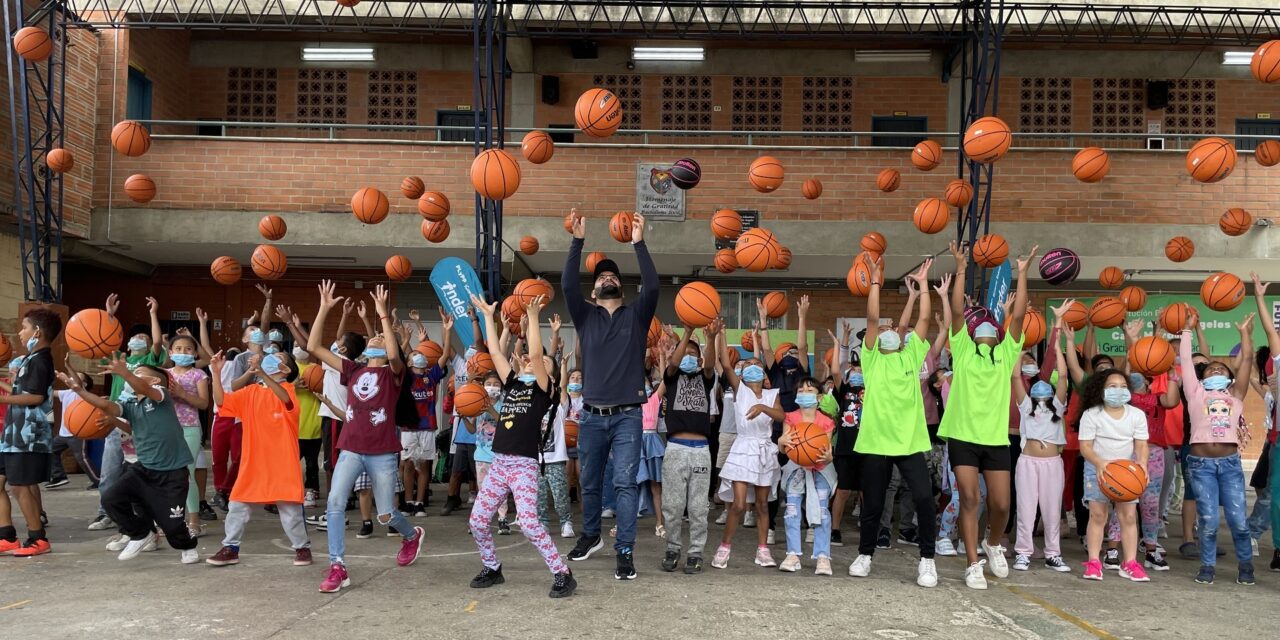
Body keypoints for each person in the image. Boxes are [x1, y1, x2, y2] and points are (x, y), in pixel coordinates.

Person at [307, 280, 425, 594]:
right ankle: (337, 566)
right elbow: (314, 348)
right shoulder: (352, 371)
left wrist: (383, 314)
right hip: (351, 448)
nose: (373, 337)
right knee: (333, 501)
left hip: (383, 452)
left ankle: (411, 535)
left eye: (379, 336)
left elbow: (393, 351)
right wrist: (324, 309)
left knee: (386, 514)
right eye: (371, 335)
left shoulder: (394, 374)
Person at [560, 208, 659, 580]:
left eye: (612, 275)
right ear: (594, 290)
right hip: (591, 416)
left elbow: (653, 284)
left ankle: (626, 550)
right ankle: (591, 536)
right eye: (601, 276)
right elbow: (568, 285)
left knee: (624, 483)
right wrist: (577, 240)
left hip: (628, 416)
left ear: (621, 286)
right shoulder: (586, 317)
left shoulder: (637, 315)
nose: (607, 278)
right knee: (588, 482)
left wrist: (638, 243)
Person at [939, 241, 1037, 590]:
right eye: (976, 327)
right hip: (963, 436)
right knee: (969, 498)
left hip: (995, 439)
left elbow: (1021, 315)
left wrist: (1023, 274)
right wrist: (962, 268)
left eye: (989, 329)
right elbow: (955, 312)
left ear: (997, 335)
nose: (982, 331)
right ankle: (972, 563)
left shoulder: (1006, 354)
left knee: (1001, 505)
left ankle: (992, 543)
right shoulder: (963, 350)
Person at [467, 293, 576, 598]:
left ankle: (562, 573)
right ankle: (492, 567)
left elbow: (539, 355)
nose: (532, 362)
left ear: (549, 374)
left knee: (528, 523)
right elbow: (496, 354)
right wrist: (488, 316)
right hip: (500, 463)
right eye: (529, 361)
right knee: (477, 521)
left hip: (524, 466)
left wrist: (534, 318)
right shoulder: (514, 383)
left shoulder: (545, 390)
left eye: (541, 363)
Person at [847, 259, 942, 587]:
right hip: (876, 441)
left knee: (924, 499)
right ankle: (865, 554)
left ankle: (927, 560)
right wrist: (875, 281)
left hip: (909, 442)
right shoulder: (872, 360)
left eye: (891, 332)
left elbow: (926, 318)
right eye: (883, 331)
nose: (886, 332)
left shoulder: (910, 355)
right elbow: (873, 317)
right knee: (872, 503)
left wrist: (924, 285)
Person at [60, 353, 200, 563]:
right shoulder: (132, 405)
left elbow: (144, 389)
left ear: (154, 380)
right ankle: (141, 534)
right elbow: (111, 409)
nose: (132, 378)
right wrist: (80, 391)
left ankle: (187, 547)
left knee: (173, 526)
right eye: (132, 374)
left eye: (138, 374)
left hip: (172, 474)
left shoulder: (161, 395)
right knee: (110, 499)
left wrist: (124, 372)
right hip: (143, 469)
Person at [1175, 280, 1259, 586]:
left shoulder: (1235, 394)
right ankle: (1207, 567)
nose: (1214, 370)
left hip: (1230, 465)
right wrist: (1186, 329)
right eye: (1210, 369)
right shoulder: (1195, 393)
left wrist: (1245, 335)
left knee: (1238, 521)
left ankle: (1246, 566)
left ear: (1229, 377)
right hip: (1200, 465)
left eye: (1220, 369)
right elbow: (1185, 361)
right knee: (1207, 520)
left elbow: (1247, 360)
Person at [206, 351, 312, 567]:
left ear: (286, 370)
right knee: (238, 506)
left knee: (290, 512)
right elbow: (221, 401)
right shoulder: (252, 391)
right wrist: (216, 374)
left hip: (282, 462)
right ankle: (231, 547)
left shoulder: (289, 391)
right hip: (254, 462)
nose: (271, 356)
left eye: (279, 357)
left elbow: (284, 399)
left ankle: (302, 548)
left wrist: (262, 372)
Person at [91, 294, 167, 532]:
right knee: (110, 471)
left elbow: (156, 342)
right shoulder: (118, 359)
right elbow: (105, 340)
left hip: (142, 419)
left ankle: (148, 514)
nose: (139, 339)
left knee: (144, 470)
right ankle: (106, 513)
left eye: (142, 338)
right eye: (135, 337)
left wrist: (153, 313)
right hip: (118, 417)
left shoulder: (149, 360)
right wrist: (110, 317)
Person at [712, 346, 784, 569]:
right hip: (743, 449)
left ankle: (762, 551)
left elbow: (781, 415)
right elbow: (725, 363)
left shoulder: (773, 395)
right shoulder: (740, 390)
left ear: (764, 374)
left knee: (762, 505)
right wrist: (720, 336)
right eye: (748, 365)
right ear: (742, 374)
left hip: (764, 450)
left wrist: (763, 406)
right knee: (738, 505)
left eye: (758, 364)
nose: (753, 367)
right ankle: (724, 548)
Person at [1011, 305, 1070, 573]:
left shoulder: (1058, 406)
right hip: (1028, 462)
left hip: (1052, 464)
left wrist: (1058, 352)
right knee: (1025, 508)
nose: (1042, 387)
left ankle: (1053, 553)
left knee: (1051, 509)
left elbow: (1064, 377)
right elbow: (1014, 376)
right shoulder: (1025, 405)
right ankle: (1023, 552)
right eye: (1036, 385)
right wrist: (1020, 351)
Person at [1078, 368, 1150, 582]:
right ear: (1101, 390)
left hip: (1127, 472)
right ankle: (1093, 562)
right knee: (1098, 515)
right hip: (1097, 467)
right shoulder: (1092, 414)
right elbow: (1086, 447)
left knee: (1128, 517)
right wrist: (1100, 463)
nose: (1118, 390)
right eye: (1112, 386)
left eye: (1123, 386)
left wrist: (1143, 464)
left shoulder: (1136, 415)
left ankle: (1129, 563)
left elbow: (1141, 444)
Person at [659, 321, 720, 574]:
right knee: (672, 506)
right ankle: (673, 548)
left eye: (693, 355)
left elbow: (709, 364)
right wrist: (686, 333)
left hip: (700, 449)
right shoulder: (672, 378)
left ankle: (695, 552)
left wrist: (711, 338)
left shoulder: (706, 379)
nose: (688, 357)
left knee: (697, 507)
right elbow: (673, 362)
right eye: (685, 353)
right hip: (675, 447)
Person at [0, 308, 60, 556]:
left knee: (20, 486)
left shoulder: (41, 360)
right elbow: (19, 390)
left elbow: (34, 397)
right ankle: (7, 535)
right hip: (13, 434)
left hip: (28, 435)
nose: (20, 332)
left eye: (24, 327)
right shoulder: (28, 359)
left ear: (37, 331)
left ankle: (37, 538)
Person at [776, 376, 836, 575]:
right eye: (800, 391)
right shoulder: (790, 418)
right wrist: (781, 442)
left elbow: (826, 454)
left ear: (819, 397)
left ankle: (822, 556)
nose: (804, 394)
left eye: (809, 391)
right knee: (792, 510)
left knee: (822, 511)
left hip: (820, 469)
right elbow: (785, 451)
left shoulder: (826, 421)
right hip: (795, 468)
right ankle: (793, 554)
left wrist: (828, 457)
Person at [166, 333, 211, 538]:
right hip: (166, 428)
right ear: (170, 352)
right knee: (168, 475)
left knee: (187, 473)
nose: (183, 352)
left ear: (194, 353)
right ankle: (174, 517)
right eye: (178, 349)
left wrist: (182, 393)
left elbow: (204, 403)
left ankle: (194, 520)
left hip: (190, 427)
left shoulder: (198, 375)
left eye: (188, 349)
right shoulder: (163, 374)